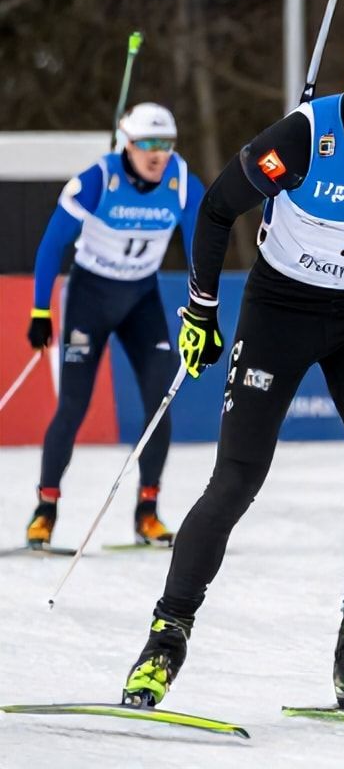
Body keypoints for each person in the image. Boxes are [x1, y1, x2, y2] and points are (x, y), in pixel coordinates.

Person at [122, 9, 344, 712]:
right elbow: (218, 210)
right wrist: (200, 309)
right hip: (280, 312)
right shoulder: (303, 137)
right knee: (236, 481)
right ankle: (164, 643)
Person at [25, 102, 201, 549]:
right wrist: (40, 310)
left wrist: (205, 306)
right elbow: (50, 244)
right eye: (148, 145)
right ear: (128, 144)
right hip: (90, 298)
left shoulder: (181, 183)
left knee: (160, 402)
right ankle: (45, 509)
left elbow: (205, 241)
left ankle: (148, 511)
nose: (158, 154)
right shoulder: (98, 179)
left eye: (165, 144)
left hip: (141, 299)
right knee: (74, 406)